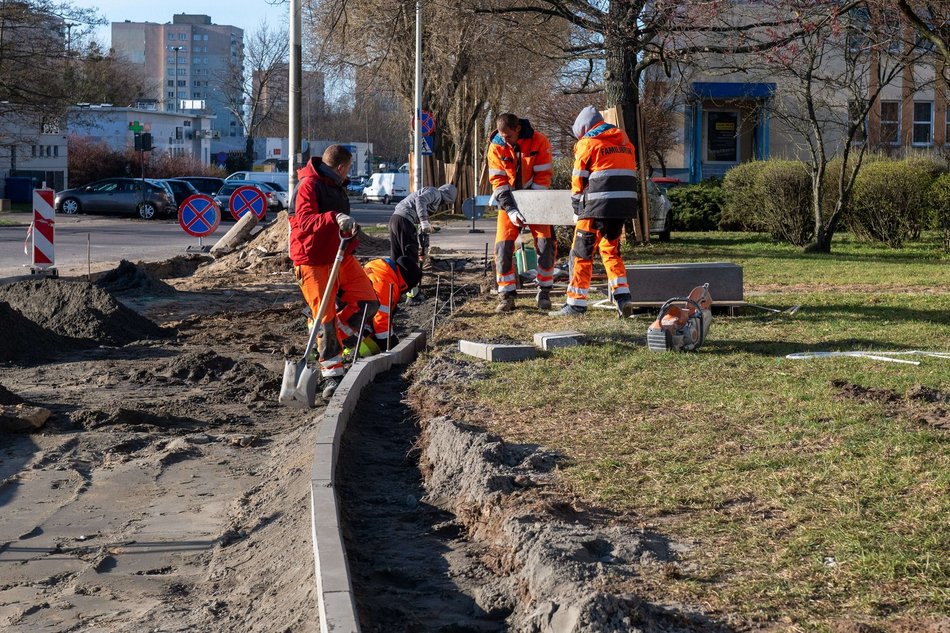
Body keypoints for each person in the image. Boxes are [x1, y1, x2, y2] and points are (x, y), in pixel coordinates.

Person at [289, 144, 379, 400]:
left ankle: (327, 338)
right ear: (341, 166)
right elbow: (304, 222)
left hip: (339, 255)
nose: (349, 172)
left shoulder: (334, 183)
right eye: (349, 167)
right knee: (325, 319)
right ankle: (332, 375)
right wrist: (334, 217)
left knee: (367, 302)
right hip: (312, 259)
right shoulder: (308, 186)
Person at [550, 105, 637, 318]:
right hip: (622, 206)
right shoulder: (625, 142)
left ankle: (575, 304)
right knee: (610, 250)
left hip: (596, 207)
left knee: (581, 253)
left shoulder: (587, 143)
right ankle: (623, 298)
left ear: (584, 128)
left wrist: (576, 208)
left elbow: (578, 179)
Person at [487, 112, 556, 313]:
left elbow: (543, 176)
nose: (504, 139)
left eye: (507, 135)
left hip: (536, 198)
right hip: (508, 201)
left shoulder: (539, 141)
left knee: (546, 244)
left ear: (517, 129)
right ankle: (506, 295)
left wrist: (530, 204)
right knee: (503, 246)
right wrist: (510, 209)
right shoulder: (496, 145)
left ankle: (544, 292)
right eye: (501, 135)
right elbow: (498, 182)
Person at [389, 183, 457, 295]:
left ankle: (395, 291)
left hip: (395, 219)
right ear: (447, 198)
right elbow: (420, 200)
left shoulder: (430, 200)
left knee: (396, 257)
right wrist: (424, 220)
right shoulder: (435, 193)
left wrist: (424, 249)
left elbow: (423, 230)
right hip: (404, 220)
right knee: (409, 258)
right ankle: (412, 294)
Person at [362, 256, 422, 349]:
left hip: (350, 309)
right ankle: (350, 352)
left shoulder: (381, 268)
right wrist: (389, 344)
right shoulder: (386, 285)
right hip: (346, 322)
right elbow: (381, 320)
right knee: (367, 349)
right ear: (406, 284)